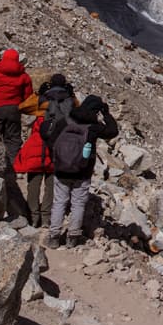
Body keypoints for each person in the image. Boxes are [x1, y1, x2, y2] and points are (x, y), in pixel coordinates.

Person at [45, 94, 117, 248]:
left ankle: (53, 237)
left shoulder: (65, 121)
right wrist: (106, 114)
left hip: (61, 170)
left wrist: (58, 160)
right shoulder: (93, 128)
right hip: (82, 171)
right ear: (96, 110)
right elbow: (112, 131)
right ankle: (73, 237)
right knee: (78, 204)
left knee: (59, 202)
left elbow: (51, 142)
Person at [15, 73, 75, 228]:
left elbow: (22, 107)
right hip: (58, 145)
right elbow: (79, 109)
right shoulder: (68, 102)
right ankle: (46, 218)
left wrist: (38, 93)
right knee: (51, 184)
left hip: (37, 144)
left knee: (33, 182)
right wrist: (72, 94)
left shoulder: (42, 101)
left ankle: (33, 216)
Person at [0, 49, 34, 172]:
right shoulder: (24, 76)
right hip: (14, 109)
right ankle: (13, 165)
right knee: (13, 137)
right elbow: (28, 95)